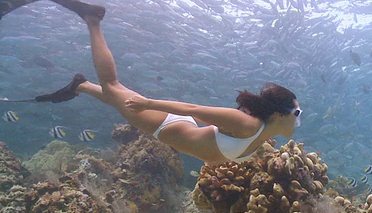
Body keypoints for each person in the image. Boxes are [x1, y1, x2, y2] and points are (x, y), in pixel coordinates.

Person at [32, 0, 302, 164]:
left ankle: (81, 86)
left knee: (117, 97)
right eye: (297, 113)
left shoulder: (262, 133)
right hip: (166, 127)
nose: (299, 119)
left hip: (179, 126)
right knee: (113, 86)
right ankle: (93, 21)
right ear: (280, 114)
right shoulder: (248, 125)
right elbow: (193, 109)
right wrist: (147, 103)